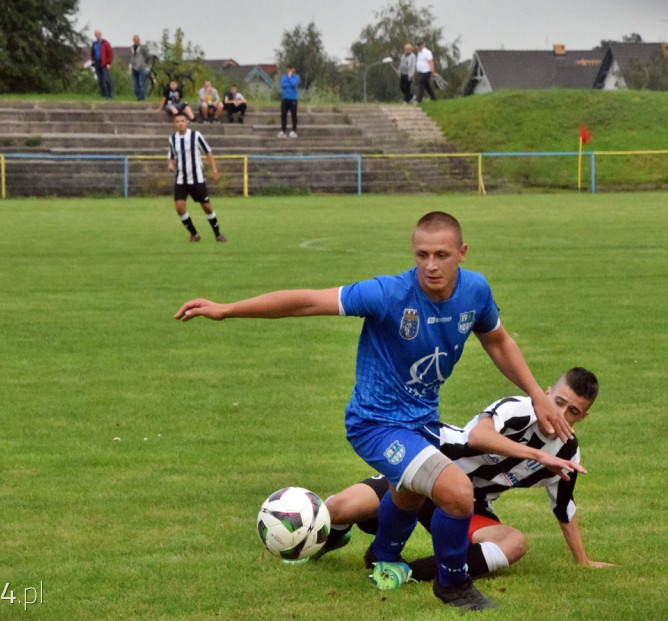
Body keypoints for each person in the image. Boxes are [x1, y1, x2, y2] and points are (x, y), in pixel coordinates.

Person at [175, 212, 572, 611]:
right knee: (456, 492)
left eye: (442, 254)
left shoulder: (475, 291)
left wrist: (537, 393)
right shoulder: (387, 294)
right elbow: (310, 300)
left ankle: (382, 556)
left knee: (408, 492)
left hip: (421, 420)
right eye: (422, 254)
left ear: (462, 253)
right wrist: (227, 309)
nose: (431, 265)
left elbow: (498, 341)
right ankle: (452, 584)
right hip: (374, 424)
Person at [315, 367, 614, 581]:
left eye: (573, 411)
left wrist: (583, 561)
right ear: (546, 394)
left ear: (583, 417)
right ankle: (336, 535)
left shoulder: (567, 454)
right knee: (335, 511)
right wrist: (537, 455)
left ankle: (407, 572)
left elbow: (563, 507)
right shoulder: (518, 409)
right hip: (425, 466)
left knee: (513, 543)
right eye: (558, 402)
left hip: (467, 505)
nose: (561, 415)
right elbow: (478, 437)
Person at [166, 113, 226, 242]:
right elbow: (172, 157)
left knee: (206, 207)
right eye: (177, 121)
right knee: (179, 208)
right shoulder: (172, 139)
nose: (180, 123)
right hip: (181, 179)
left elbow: (208, 152)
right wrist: (171, 165)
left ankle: (218, 234)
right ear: (174, 123)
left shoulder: (196, 136)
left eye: (182, 121)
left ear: (187, 122)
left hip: (197, 178)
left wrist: (214, 169)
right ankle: (194, 234)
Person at [89, 30, 113, 99]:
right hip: (97, 62)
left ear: (101, 35)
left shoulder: (105, 43)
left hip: (104, 63)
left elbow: (110, 53)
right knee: (100, 80)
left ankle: (109, 94)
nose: (97, 36)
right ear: (95, 35)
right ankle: (103, 94)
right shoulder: (94, 44)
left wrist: (109, 63)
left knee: (106, 79)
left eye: (98, 34)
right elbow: (92, 53)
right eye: (96, 34)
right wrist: (93, 61)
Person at [278, 66, 300, 138]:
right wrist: (290, 83)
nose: (290, 70)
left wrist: (290, 78)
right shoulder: (284, 77)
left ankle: (294, 130)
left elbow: (294, 84)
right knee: (283, 114)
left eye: (292, 69)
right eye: (289, 69)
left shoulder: (297, 77)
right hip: (285, 98)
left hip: (293, 98)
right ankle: (283, 130)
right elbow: (283, 85)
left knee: (293, 115)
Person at [129, 35, 149, 101]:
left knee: (141, 82)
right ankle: (138, 96)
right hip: (134, 67)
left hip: (141, 67)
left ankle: (142, 97)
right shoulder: (131, 47)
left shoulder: (142, 47)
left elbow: (147, 55)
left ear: (139, 40)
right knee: (135, 83)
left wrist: (143, 62)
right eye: (134, 40)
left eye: (137, 40)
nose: (135, 41)